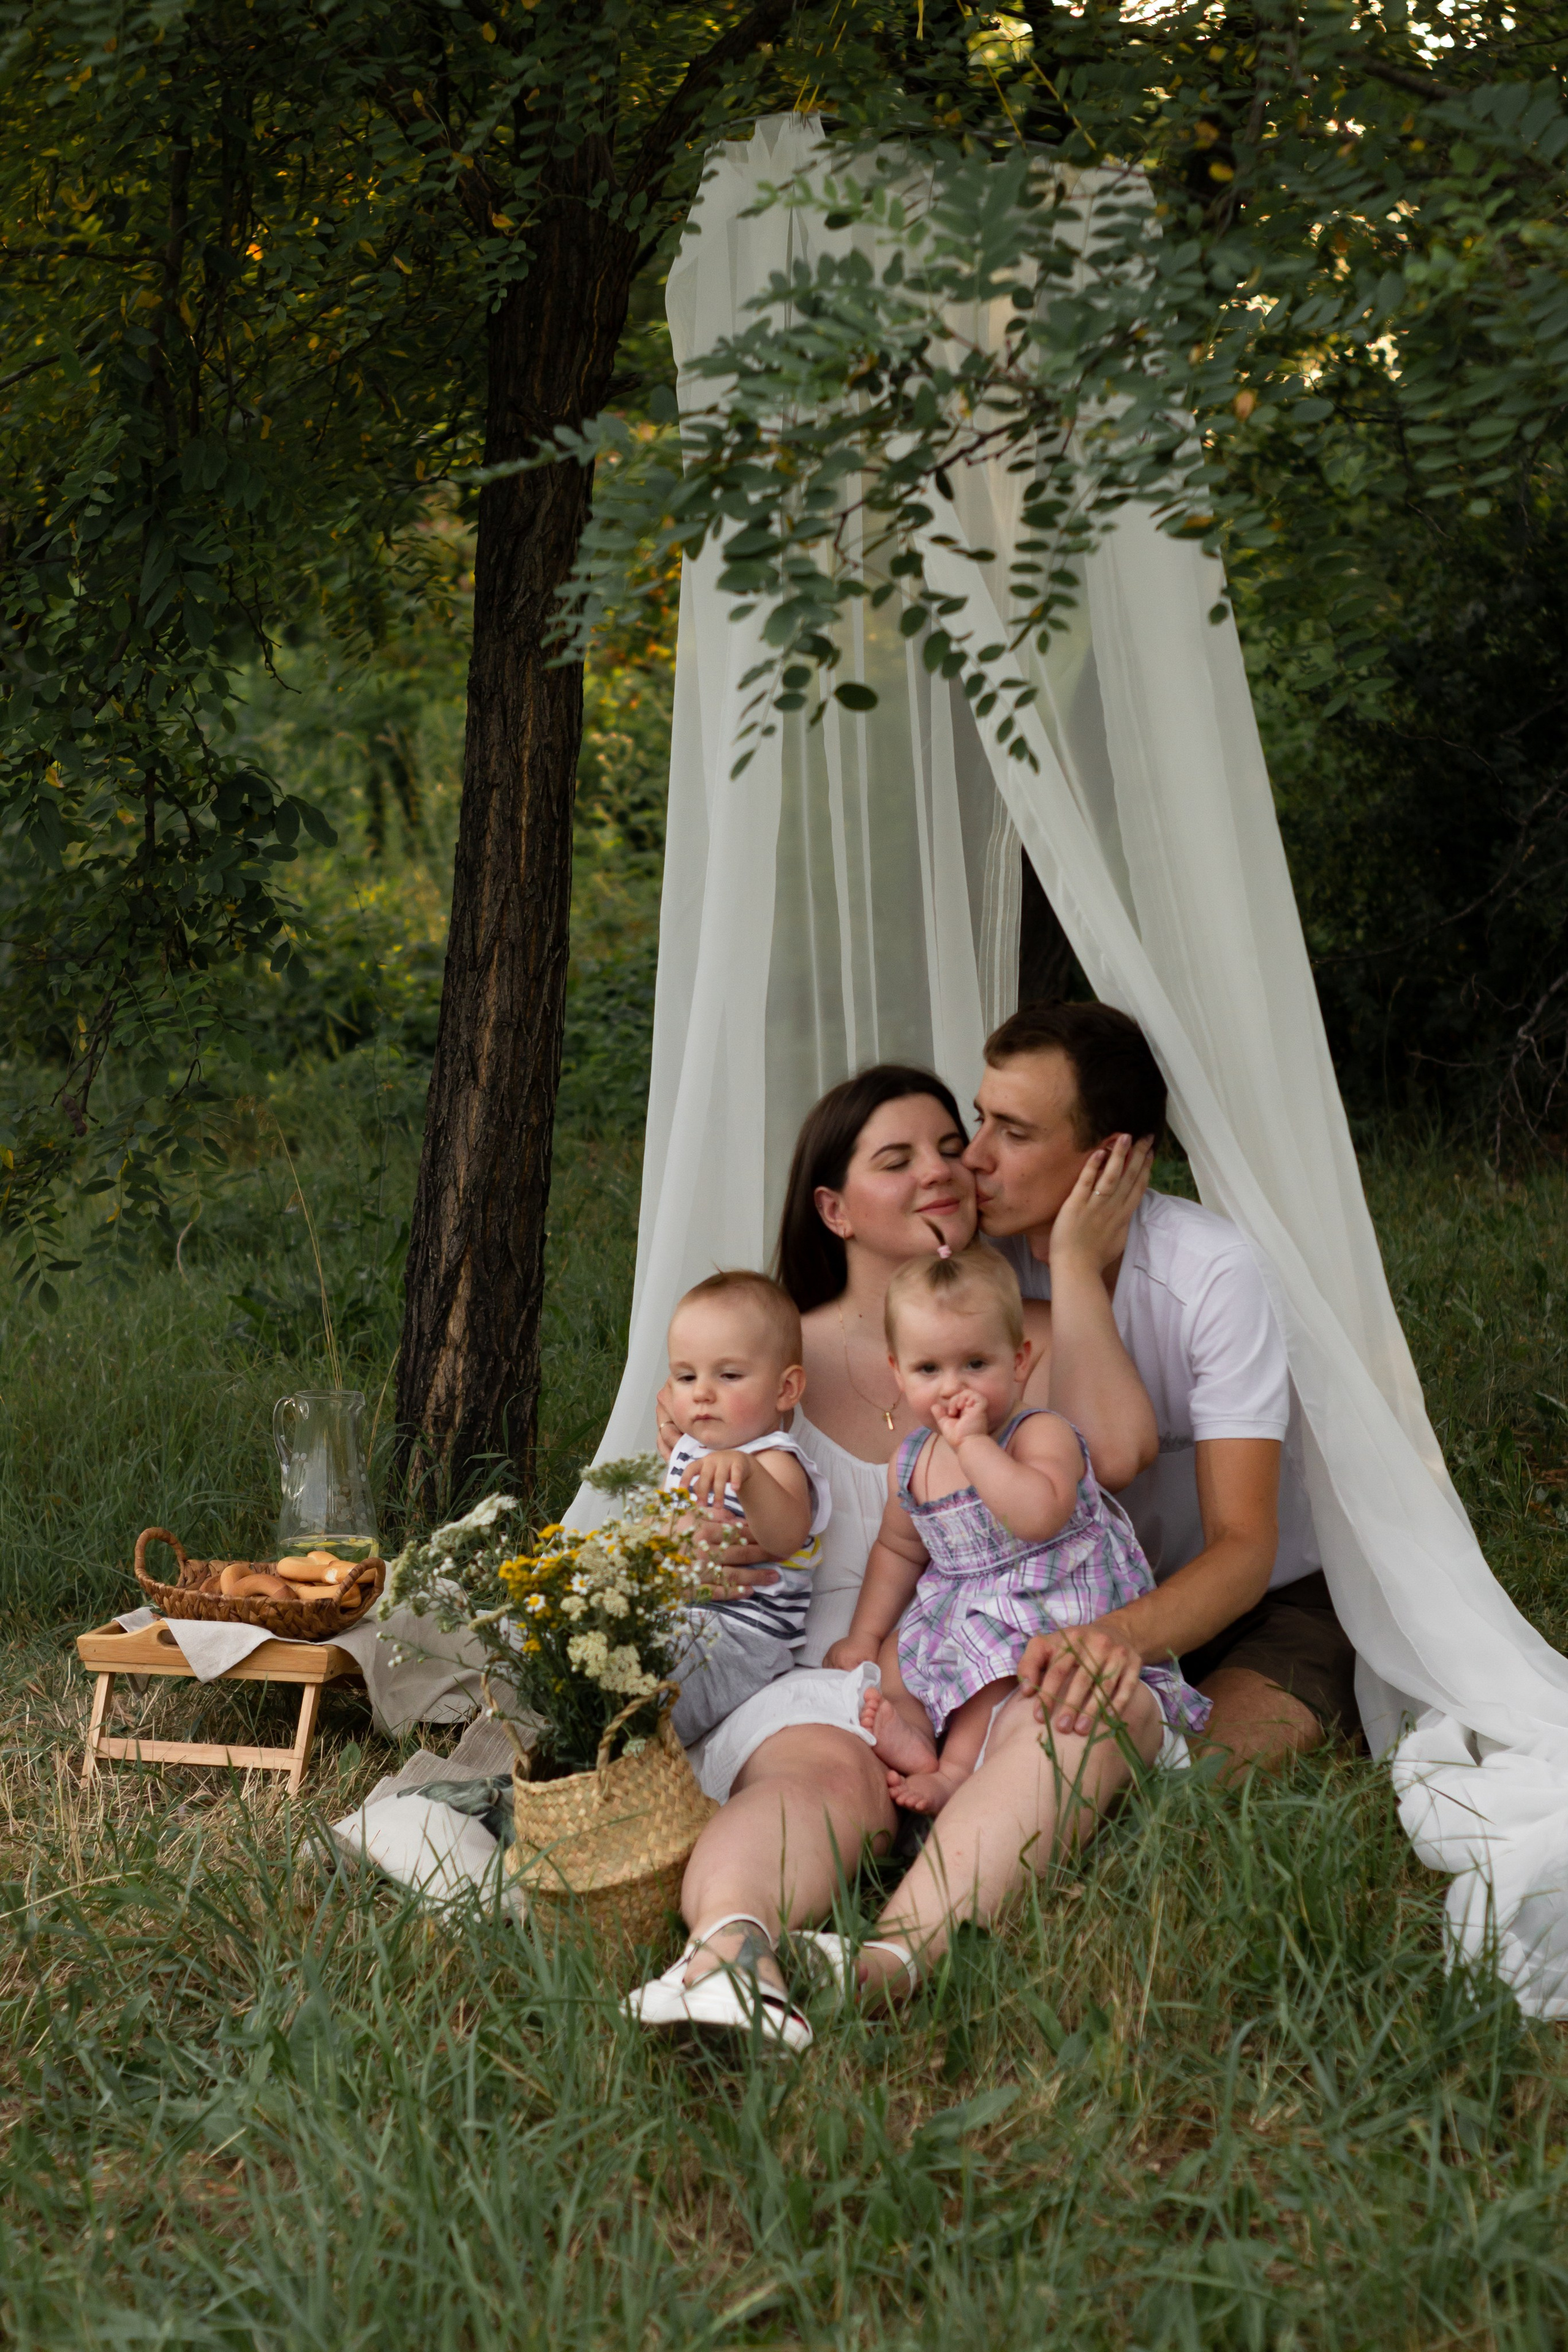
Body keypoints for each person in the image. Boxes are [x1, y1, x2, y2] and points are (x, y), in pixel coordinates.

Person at [627, 1063, 1161, 2049]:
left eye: (952, 1149)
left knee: (1088, 1714)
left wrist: (1076, 1269)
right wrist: (704, 1464)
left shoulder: (1020, 1335)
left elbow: (1120, 1452)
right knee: (825, 1781)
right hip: (822, 1670)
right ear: (832, 1209)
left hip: (983, 1668)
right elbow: (701, 1528)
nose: (939, 1173)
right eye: (898, 1159)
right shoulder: (755, 1353)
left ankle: (884, 1964)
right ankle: (723, 1955)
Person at [969, 1000, 1359, 1770]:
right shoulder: (984, 1269)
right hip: (1067, 1607)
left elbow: (1244, 1548)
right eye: (978, 1119)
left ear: (1107, 1158)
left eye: (1012, 1134)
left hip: (1263, 1604)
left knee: (1196, 1789)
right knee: (1062, 1786)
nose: (975, 1156)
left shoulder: (1210, 1272)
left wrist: (1115, 1640)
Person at [827, 1246, 1210, 1814]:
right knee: (893, 1664)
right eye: (928, 1369)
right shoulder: (911, 1462)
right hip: (963, 1604)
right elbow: (898, 1551)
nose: (954, 1387)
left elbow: (1038, 1516)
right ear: (897, 1373)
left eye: (976, 1364)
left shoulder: (1040, 1432)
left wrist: (975, 1446)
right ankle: (910, 1737)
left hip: (1047, 1600)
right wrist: (864, 1634)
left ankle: (957, 1772)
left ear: (1021, 1361)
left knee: (995, 1670)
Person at [661, 1270, 831, 1746]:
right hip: (681, 1618)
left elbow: (786, 1536)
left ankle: (626, 1762)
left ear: (785, 1389)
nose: (702, 1393)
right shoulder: (688, 1449)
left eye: (729, 1375)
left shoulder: (775, 1459)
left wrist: (750, 1477)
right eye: (686, 1376)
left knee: (652, 1696)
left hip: (741, 1639)